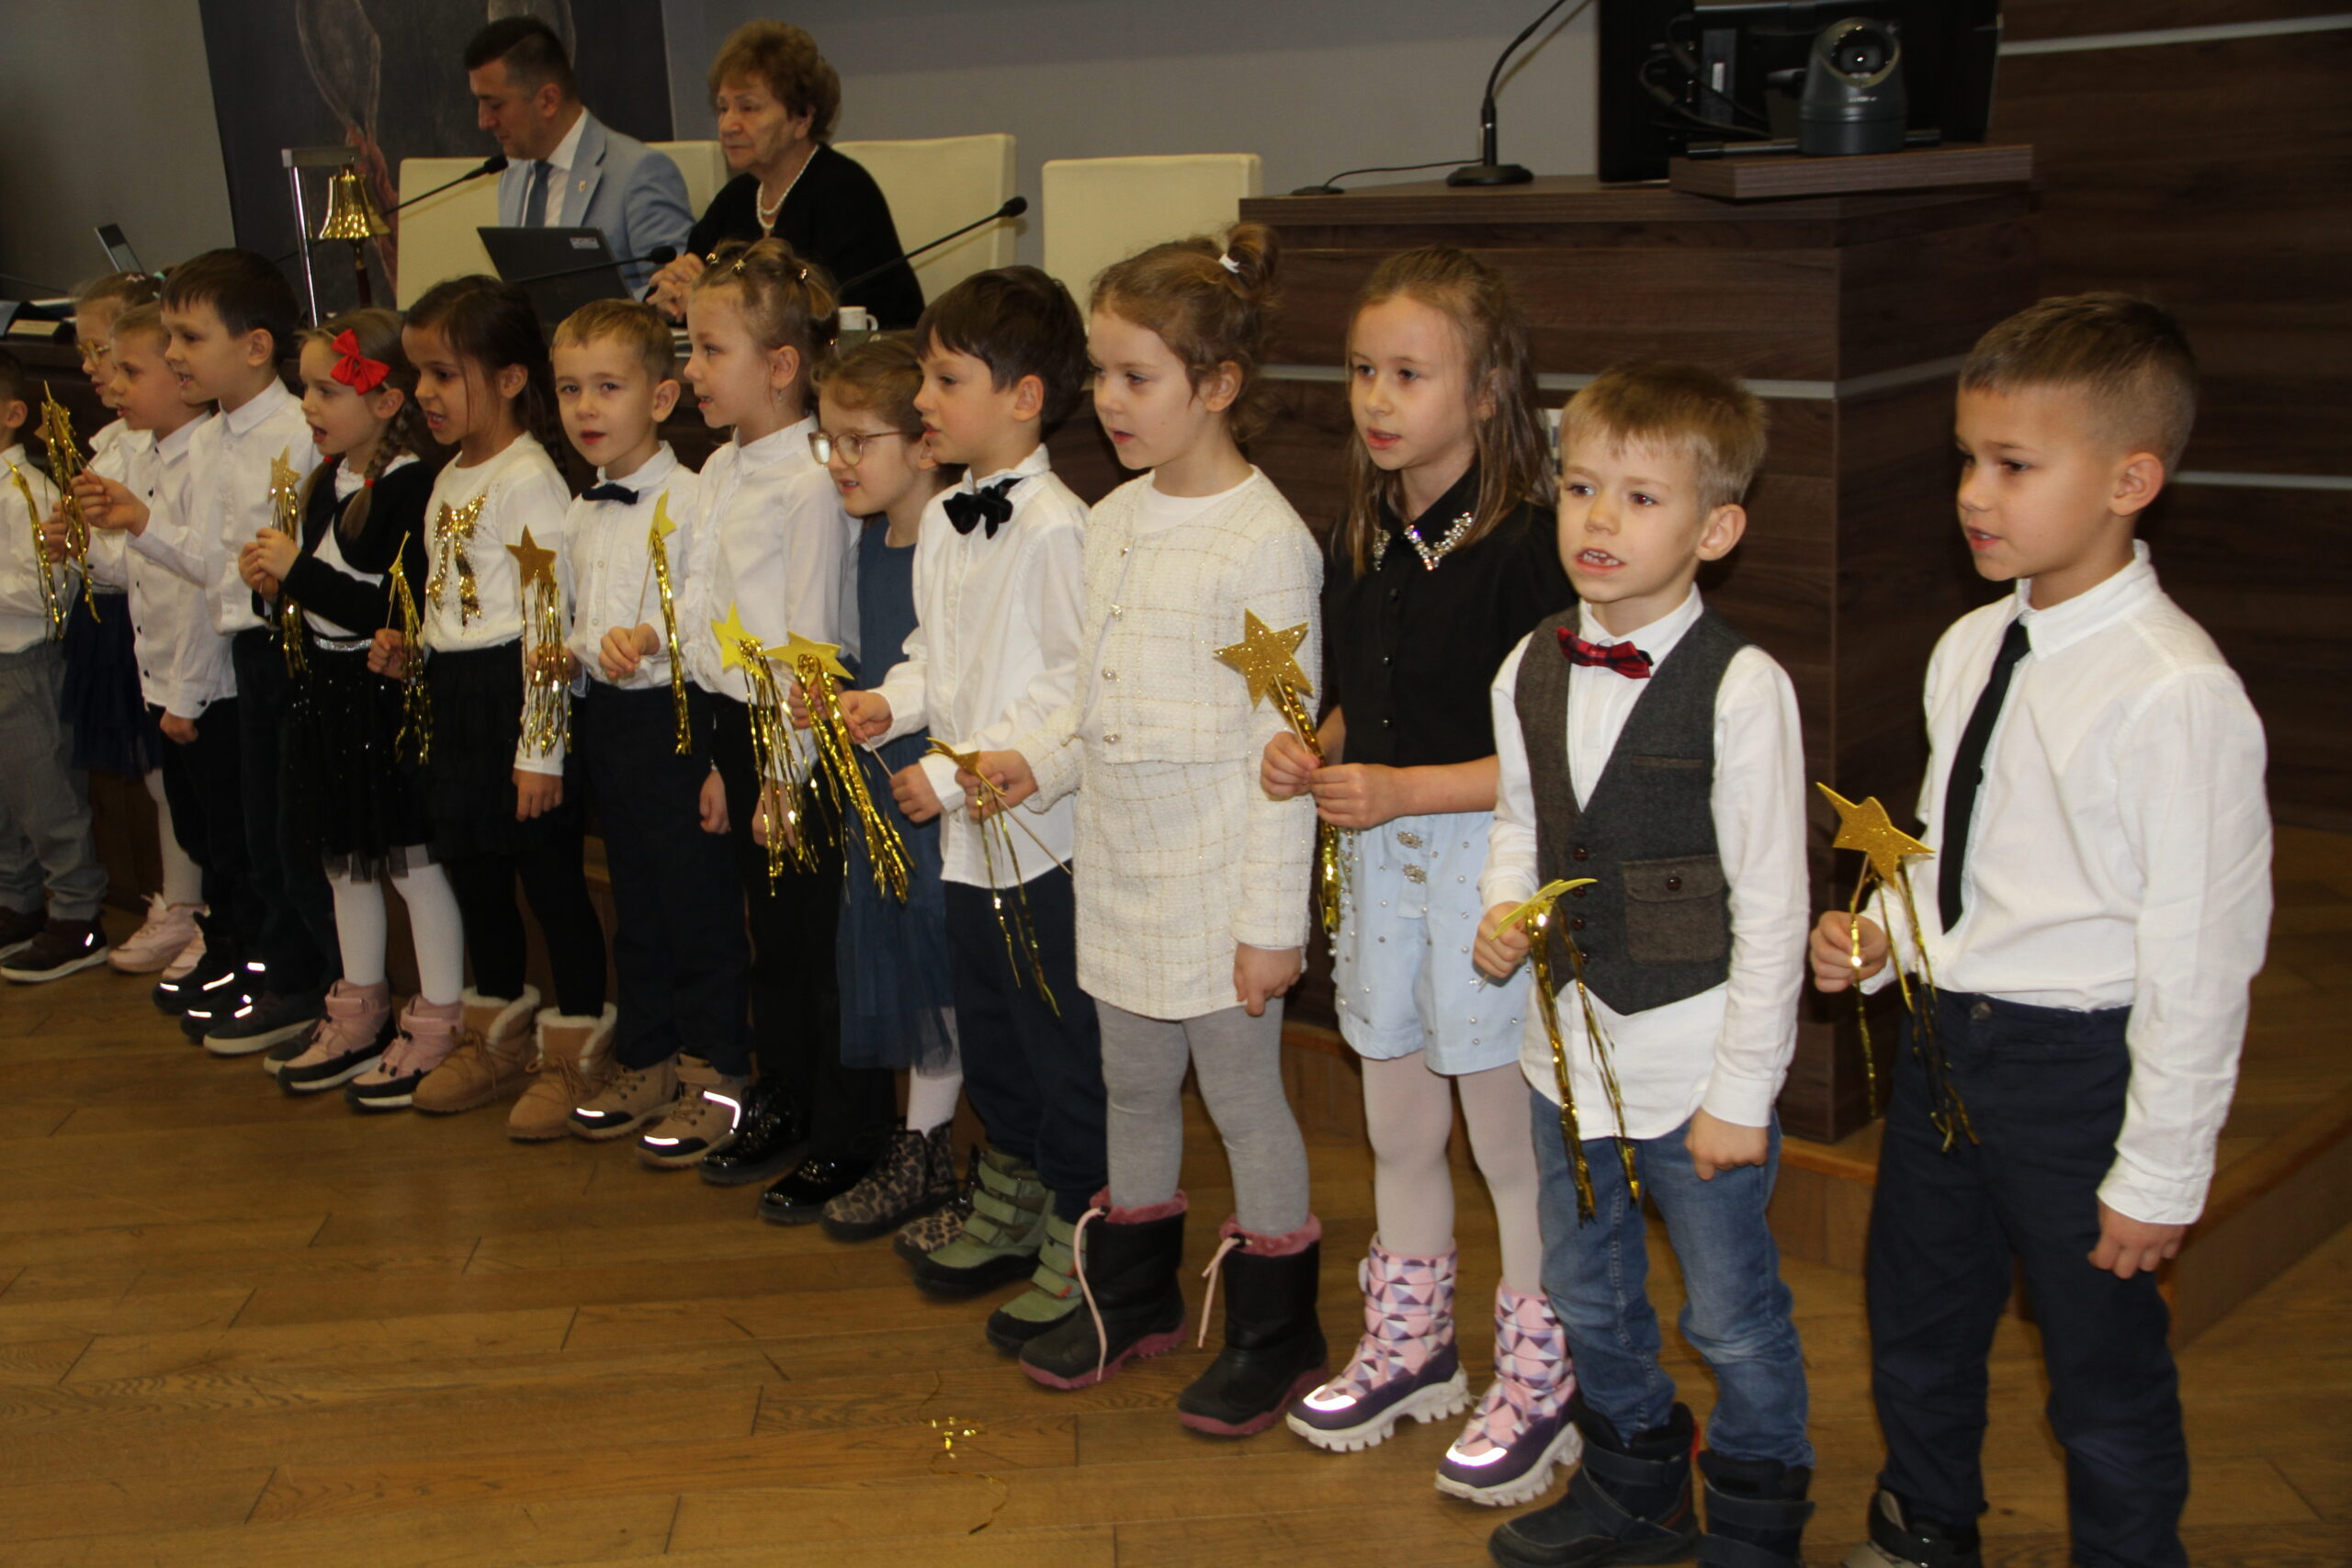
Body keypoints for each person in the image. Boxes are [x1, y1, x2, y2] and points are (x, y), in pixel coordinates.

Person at [1813, 295, 2271, 1568]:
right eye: (1968, 458)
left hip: (2075, 1076)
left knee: (2100, 1370)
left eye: (2015, 465)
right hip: (1944, 1051)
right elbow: (1954, 844)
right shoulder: (1972, 643)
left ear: (2131, 480)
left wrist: (2159, 1172)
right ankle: (1924, 1522)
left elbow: (2201, 959)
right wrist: (1887, 938)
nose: (1974, 492)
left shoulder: (2177, 693)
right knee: (1918, 1317)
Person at [969, 224, 1329, 1435]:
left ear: (1216, 384)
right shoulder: (1114, 521)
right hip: (1121, 871)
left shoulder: (1265, 545)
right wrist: (1036, 760)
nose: (1108, 401)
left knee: (1243, 1099)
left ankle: (1277, 1329)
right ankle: (1132, 1298)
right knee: (1130, 1083)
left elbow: (1283, 758)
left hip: (1221, 888)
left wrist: (1271, 927)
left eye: (1137, 376)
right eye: (1101, 374)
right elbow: (1098, 697)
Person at [1475, 362, 1814, 1568]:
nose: (1598, 519)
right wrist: (1503, 908)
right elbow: (1519, 821)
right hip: (1565, 1062)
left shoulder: (1743, 688)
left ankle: (1759, 1516)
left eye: (1639, 496)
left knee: (1729, 1313)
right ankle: (1634, 1487)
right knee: (1587, 1290)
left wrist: (1742, 1092)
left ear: (1715, 530)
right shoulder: (1529, 662)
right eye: (1579, 488)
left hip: (1695, 1067)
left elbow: (1773, 906)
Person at [1261, 246, 1580, 1505]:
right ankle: (1414, 1347)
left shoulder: (1532, 552)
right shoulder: (1362, 535)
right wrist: (1319, 746)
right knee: (1396, 1120)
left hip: (1482, 865)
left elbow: (1550, 758)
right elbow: (1365, 702)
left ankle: (1544, 1372)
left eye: (1409, 373)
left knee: (1506, 1140)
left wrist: (1400, 789)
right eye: (1361, 371)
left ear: (1488, 389)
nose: (1377, 399)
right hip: (1380, 863)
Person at [834, 267, 1106, 1336]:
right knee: (990, 1028)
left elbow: (1070, 691)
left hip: (1040, 841)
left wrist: (953, 773)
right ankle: (1016, 1182)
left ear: (1024, 397)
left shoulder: (1057, 528)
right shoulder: (949, 518)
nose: (924, 400)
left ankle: (1082, 1222)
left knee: (1056, 1038)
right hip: (966, 848)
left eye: (945, 380)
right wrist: (890, 700)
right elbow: (937, 656)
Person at [572, 239, 864, 1195]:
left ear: (779, 366)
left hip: (795, 742)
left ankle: (834, 1127)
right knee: (768, 939)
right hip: (734, 732)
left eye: (707, 351)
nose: (691, 369)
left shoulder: (810, 482)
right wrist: (710, 754)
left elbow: (810, 644)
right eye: (688, 349)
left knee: (808, 945)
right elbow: (702, 615)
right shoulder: (727, 466)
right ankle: (781, 1100)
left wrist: (782, 774)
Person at [82, 251, 337, 1049]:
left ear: (255, 346)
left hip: (290, 652)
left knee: (290, 838)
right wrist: (142, 522)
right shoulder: (213, 437)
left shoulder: (296, 434)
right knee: (256, 836)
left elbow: (295, 566)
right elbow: (210, 566)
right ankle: (275, 971)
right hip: (245, 656)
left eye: (188, 338)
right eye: (170, 338)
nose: (176, 355)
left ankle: (313, 984)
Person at [369, 275, 609, 1116]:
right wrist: (416, 648)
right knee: (475, 875)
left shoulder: (529, 480)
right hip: (457, 697)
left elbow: (547, 622)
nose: (423, 393)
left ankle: (577, 1047)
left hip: (517, 701)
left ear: (509, 378)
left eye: (444, 374)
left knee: (549, 882)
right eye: (419, 374)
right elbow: (459, 600)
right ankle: (497, 1033)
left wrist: (541, 749)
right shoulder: (449, 477)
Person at [240, 310, 462, 1102]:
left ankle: (439, 1018)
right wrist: (274, 588)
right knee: (343, 862)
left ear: (384, 401)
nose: (308, 405)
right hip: (326, 691)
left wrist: (297, 574)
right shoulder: (325, 480)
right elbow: (314, 603)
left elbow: (393, 609)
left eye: (326, 390)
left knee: (411, 863)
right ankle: (359, 1008)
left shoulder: (412, 487)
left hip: (383, 698)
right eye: (304, 389)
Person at [784, 334, 963, 1244]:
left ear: (925, 443)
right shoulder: (867, 538)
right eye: (830, 440)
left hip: (939, 782)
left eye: (860, 440)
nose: (840, 460)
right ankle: (918, 1140)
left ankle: (930, 1146)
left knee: (939, 963)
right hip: (877, 784)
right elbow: (867, 655)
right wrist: (831, 696)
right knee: (900, 957)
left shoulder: (951, 537)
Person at [547, 298, 731, 1145]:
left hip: (678, 723)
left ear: (661, 398)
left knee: (697, 909)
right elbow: (578, 619)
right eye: (569, 389)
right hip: (611, 731)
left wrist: (650, 638)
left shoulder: (694, 499)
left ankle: (714, 1071)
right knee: (639, 908)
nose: (585, 408)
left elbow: (710, 611)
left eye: (607, 387)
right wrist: (570, 653)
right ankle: (649, 1056)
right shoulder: (579, 511)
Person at [74, 307, 241, 1019]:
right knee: (197, 822)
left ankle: (234, 946)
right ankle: (219, 937)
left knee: (227, 832)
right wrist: (90, 538)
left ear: (181, 382)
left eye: (130, 371)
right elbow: (136, 568)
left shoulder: (206, 455)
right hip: (164, 672)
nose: (113, 384)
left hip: (206, 678)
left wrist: (187, 689)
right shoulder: (144, 453)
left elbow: (205, 580)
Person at [65, 273, 206, 978]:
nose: (101, 375)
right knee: (163, 781)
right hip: (141, 633)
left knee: (190, 786)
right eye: (97, 359)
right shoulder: (128, 444)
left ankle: (203, 911)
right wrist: (78, 540)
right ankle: (182, 904)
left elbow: (172, 559)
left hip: (184, 644)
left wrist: (100, 540)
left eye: (116, 361)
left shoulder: (190, 450)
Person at [644, 22, 922, 330]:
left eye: (748, 108)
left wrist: (711, 300)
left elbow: (831, 316)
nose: (727, 125)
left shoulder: (845, 193)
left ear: (802, 118)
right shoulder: (736, 199)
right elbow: (691, 281)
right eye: (723, 108)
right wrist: (670, 296)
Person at [0, 349, 109, 983]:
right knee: (6, 801)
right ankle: (16, 900)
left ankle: (76, 913)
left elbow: (51, 593)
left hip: (23, 664)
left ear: (13, 414)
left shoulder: (29, 492)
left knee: (46, 798)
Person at [465, 17, 692, 295]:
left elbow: (677, 292)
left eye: (495, 105)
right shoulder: (513, 172)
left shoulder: (639, 172)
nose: (484, 121)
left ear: (548, 100)